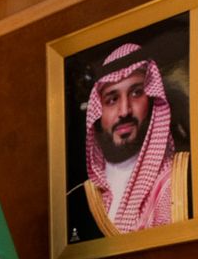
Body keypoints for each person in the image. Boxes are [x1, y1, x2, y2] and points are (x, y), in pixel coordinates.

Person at [79, 42, 188, 233]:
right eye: (112, 99)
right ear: (98, 112)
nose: (124, 111)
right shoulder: (82, 197)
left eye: (136, 93)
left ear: (152, 100)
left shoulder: (178, 179)